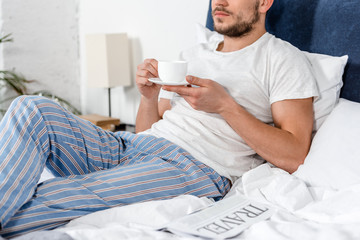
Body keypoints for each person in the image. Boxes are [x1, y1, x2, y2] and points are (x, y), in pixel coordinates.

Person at [0, 0, 318, 238]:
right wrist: (148, 96)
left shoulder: (282, 59)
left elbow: (294, 155)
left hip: (195, 168)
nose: (218, 2)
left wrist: (225, 106)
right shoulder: (192, 54)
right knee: (31, 109)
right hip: (136, 147)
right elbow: (148, 131)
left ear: (263, 2)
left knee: (60, 195)